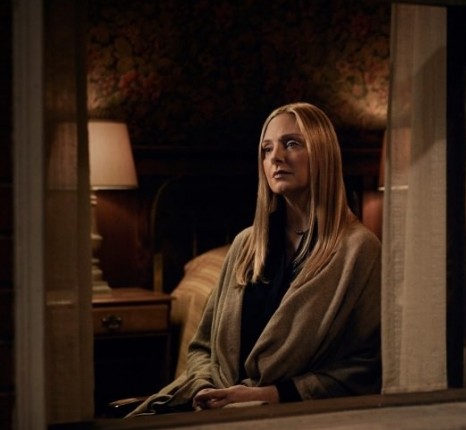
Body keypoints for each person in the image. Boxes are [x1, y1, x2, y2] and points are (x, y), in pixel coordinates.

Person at [128, 102, 381, 416]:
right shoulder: (246, 245)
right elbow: (203, 347)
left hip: (296, 412)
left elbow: (368, 365)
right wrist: (205, 388)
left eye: (292, 143)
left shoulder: (359, 249)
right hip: (213, 407)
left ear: (322, 153)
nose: (276, 157)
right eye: (267, 149)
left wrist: (269, 395)